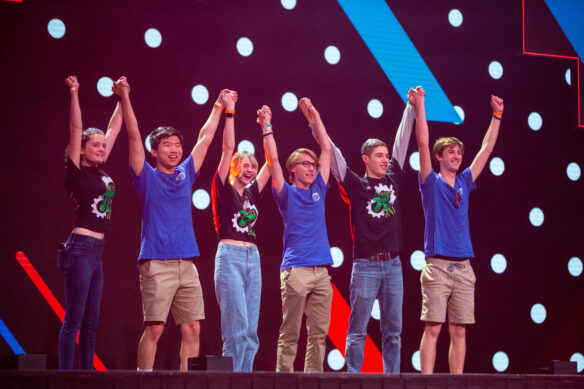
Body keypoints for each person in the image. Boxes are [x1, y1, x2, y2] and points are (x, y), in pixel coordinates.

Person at [113, 78, 231, 371]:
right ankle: (142, 379)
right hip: (156, 263)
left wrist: (219, 105)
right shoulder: (146, 176)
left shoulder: (185, 173)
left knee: (193, 328)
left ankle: (186, 381)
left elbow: (205, 138)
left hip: (186, 263)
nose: (175, 150)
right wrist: (125, 97)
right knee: (154, 329)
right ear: (155, 151)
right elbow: (132, 134)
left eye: (178, 145)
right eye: (168, 145)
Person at [321, 89, 417, 373]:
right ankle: (353, 379)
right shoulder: (355, 185)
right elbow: (333, 153)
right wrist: (314, 120)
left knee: (394, 332)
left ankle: (393, 380)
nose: (386, 159)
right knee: (357, 330)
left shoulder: (394, 178)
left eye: (386, 155)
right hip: (365, 266)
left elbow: (403, 140)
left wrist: (410, 108)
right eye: (379, 155)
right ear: (365, 158)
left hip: (394, 265)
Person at [411, 87, 504, 374]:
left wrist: (497, 115)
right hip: (437, 265)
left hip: (464, 267)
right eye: (451, 151)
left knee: (460, 331)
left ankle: (456, 382)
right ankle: (426, 382)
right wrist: (420, 106)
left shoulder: (465, 180)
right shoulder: (430, 181)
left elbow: (486, 149)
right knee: (434, 328)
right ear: (439, 157)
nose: (457, 155)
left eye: (459, 152)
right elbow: (423, 144)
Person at [260, 99, 334, 373]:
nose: (312, 167)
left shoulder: (319, 189)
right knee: (290, 332)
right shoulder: (285, 193)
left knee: (318, 335)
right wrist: (267, 126)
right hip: (296, 271)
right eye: (305, 163)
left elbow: (326, 148)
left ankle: (313, 381)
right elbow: (272, 160)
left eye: (313, 164)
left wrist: (313, 115)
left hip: (321, 271)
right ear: (293, 169)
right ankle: (284, 381)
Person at [59, 75, 123, 369]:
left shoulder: (102, 172)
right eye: (94, 145)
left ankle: (87, 378)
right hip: (80, 248)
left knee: (91, 323)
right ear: (82, 150)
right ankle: (64, 378)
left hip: (97, 252)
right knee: (73, 318)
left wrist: (123, 97)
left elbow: (114, 127)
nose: (101, 148)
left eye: (103, 145)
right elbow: (75, 128)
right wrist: (74, 92)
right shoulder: (77, 172)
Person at [211, 92, 270, 372]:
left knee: (250, 334)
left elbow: (272, 162)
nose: (250, 169)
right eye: (245, 165)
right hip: (230, 257)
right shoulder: (223, 189)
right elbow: (227, 147)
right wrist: (230, 111)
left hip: (253, 259)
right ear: (234, 166)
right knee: (235, 331)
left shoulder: (253, 193)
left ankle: (245, 381)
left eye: (253, 166)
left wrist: (266, 127)